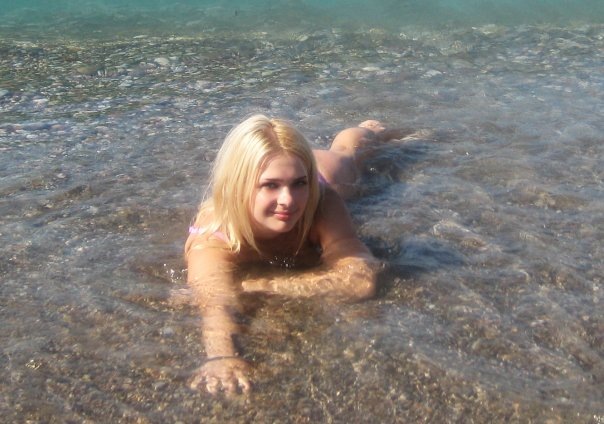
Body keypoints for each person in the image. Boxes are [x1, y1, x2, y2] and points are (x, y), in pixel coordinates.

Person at [185, 114, 408, 396]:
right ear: (237, 185)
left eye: (299, 184)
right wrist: (221, 355)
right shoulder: (213, 235)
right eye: (270, 185)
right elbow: (214, 305)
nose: (288, 200)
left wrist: (259, 285)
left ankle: (367, 129)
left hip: (329, 175)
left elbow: (361, 280)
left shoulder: (321, 202)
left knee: (347, 153)